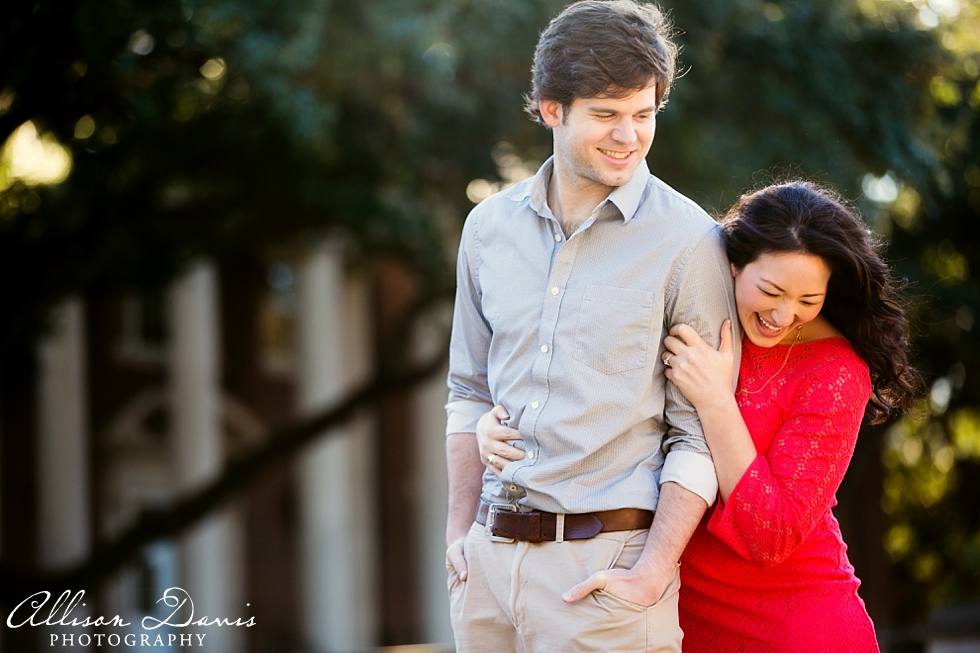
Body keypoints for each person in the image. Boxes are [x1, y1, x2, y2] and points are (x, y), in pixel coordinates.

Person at [444, 1, 739, 651]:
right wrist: (457, 531)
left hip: (604, 578)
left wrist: (650, 572)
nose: (628, 136)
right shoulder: (487, 229)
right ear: (552, 108)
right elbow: (467, 390)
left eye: (644, 114)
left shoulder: (691, 242)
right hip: (486, 571)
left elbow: (697, 434)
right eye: (606, 114)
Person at [659, 181, 919, 652]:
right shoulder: (694, 317)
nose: (783, 316)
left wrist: (716, 402)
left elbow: (771, 536)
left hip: (797, 631)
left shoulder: (836, 372)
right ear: (734, 263)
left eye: (807, 300)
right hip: (680, 624)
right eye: (771, 291)